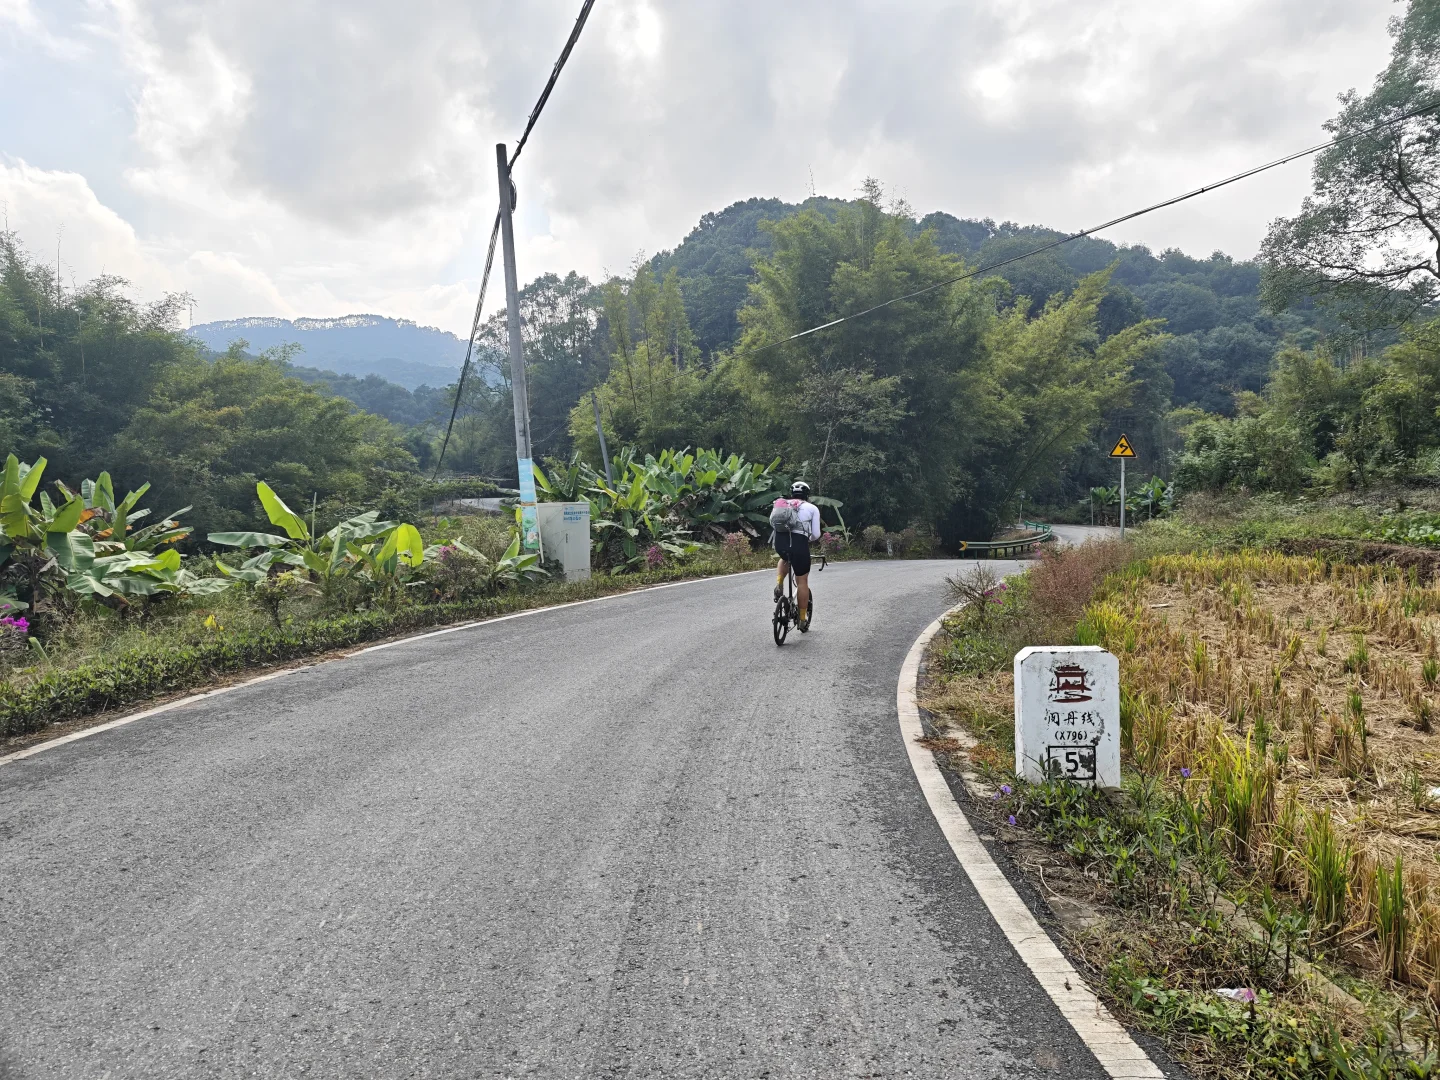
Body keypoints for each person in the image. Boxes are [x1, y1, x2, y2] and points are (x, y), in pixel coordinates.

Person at [773, 481, 822, 627]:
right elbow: (816, 534)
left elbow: (773, 525)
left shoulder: (780, 504)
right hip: (799, 544)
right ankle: (802, 619)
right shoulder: (812, 508)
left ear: (792, 493)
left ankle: (779, 583)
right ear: (807, 494)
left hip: (780, 543)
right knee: (802, 582)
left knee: (784, 558)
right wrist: (806, 539)